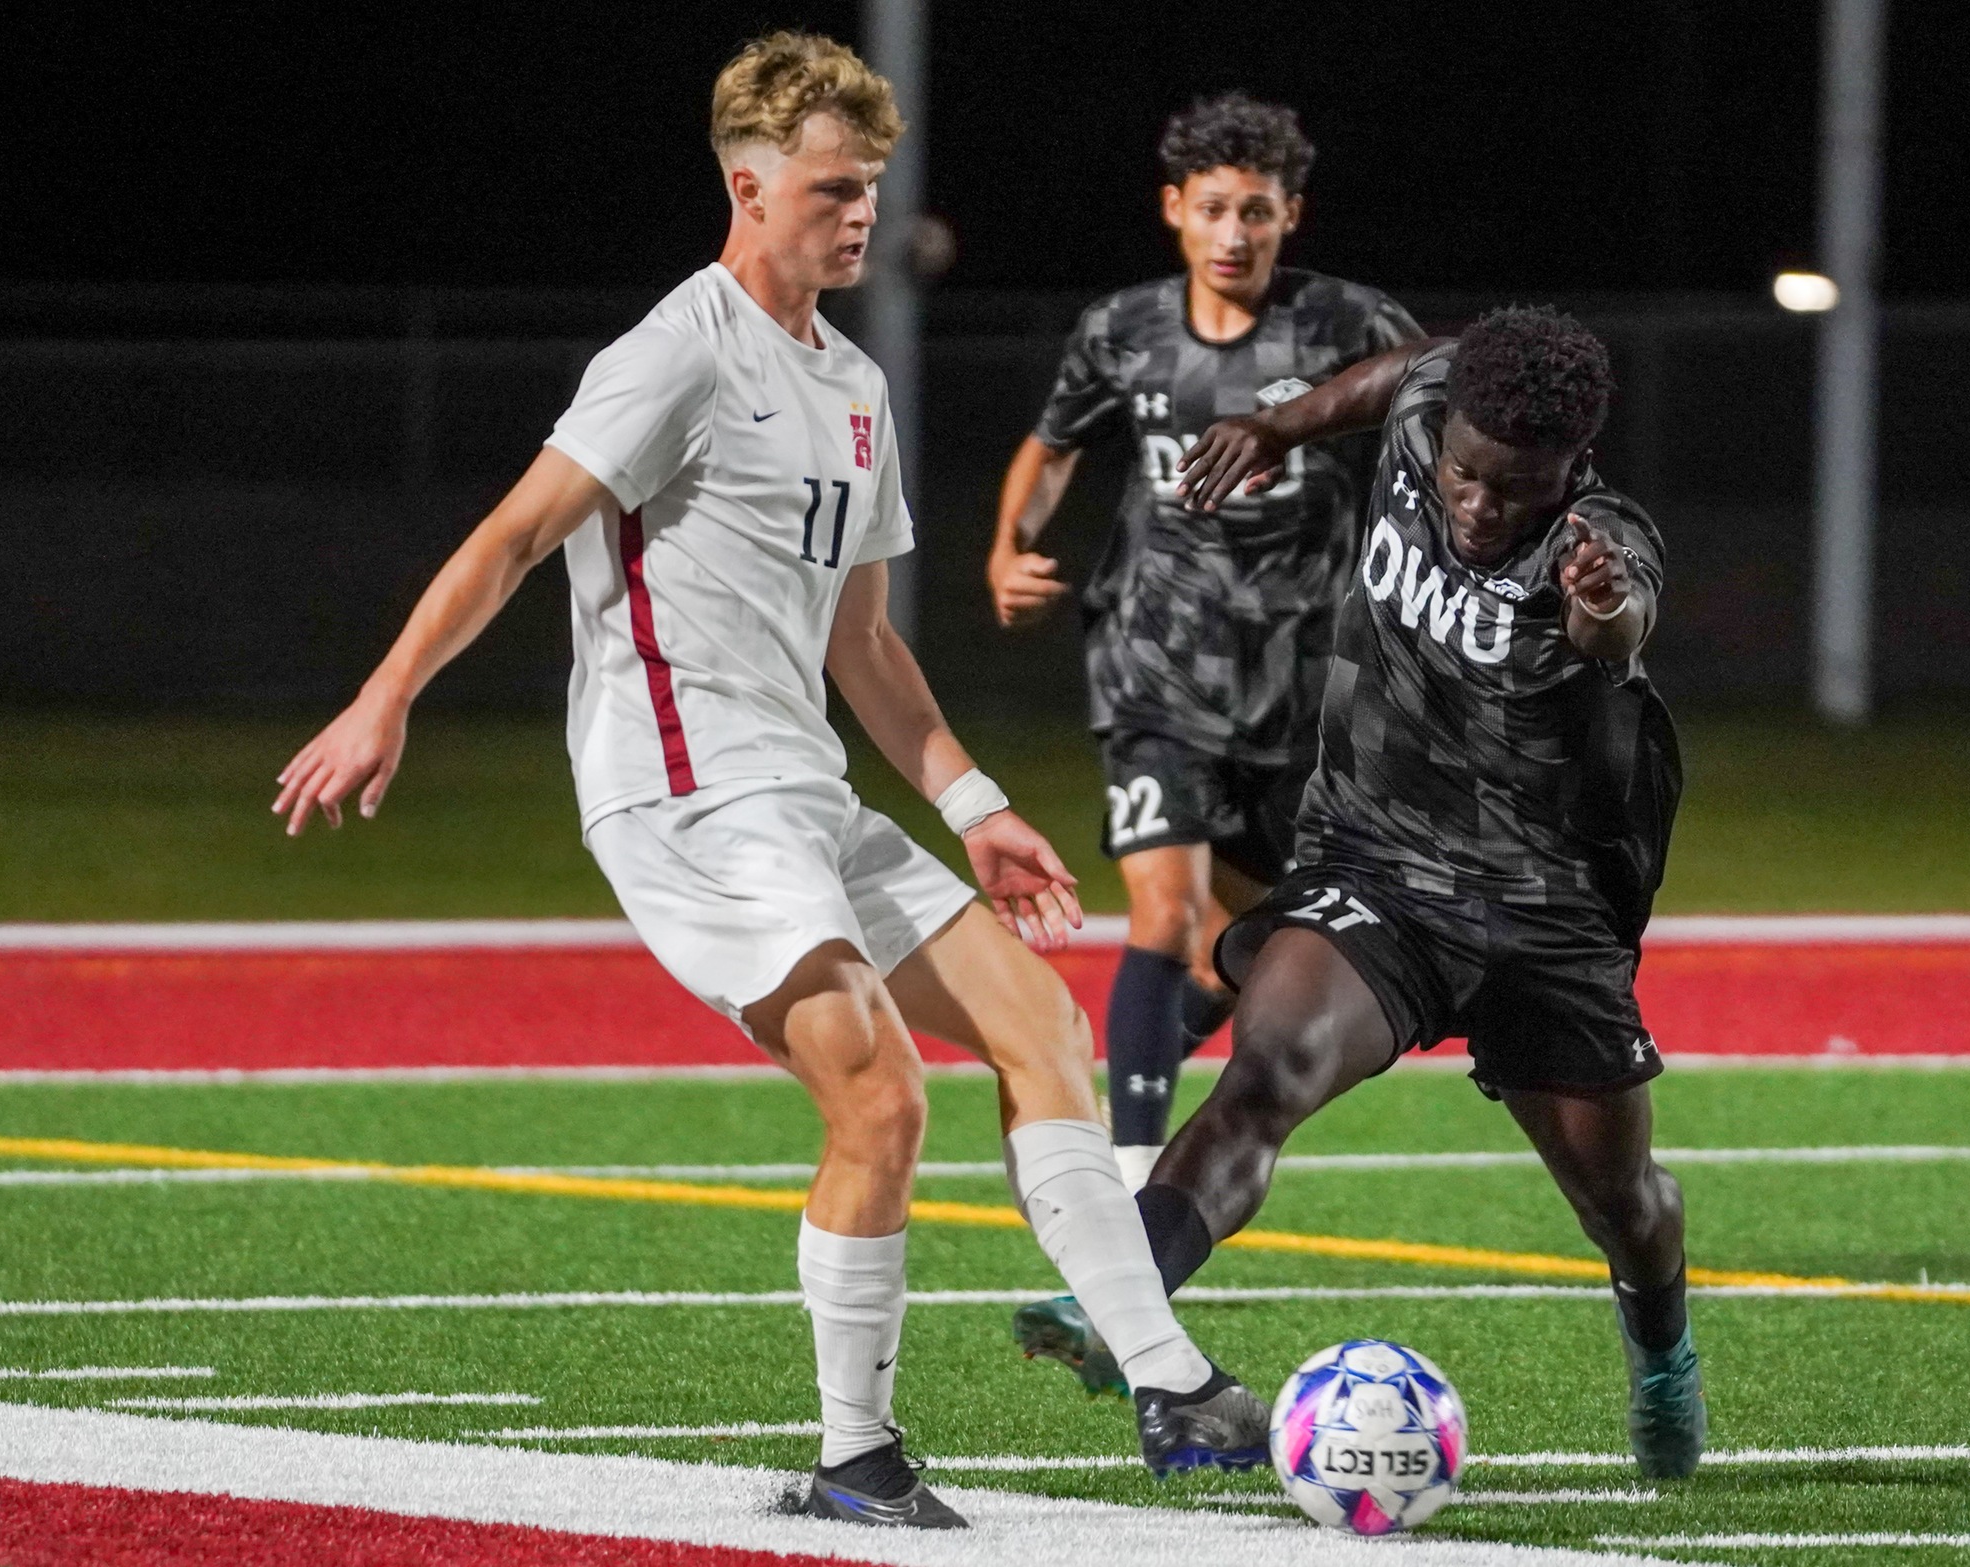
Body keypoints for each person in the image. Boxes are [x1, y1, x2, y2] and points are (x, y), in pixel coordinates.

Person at [271, 31, 1273, 1530]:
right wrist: (382, 696)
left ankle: (1160, 1374)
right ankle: (855, 1453)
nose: (855, 214)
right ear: (745, 186)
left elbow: (863, 642)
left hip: (801, 793)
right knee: (875, 1086)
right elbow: (510, 536)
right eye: (826, 188)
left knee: (1038, 1022)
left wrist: (974, 799)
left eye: (867, 187)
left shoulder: (853, 384)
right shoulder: (677, 347)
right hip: (679, 794)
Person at [1020, 306, 1705, 1479]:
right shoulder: (1432, 400)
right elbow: (1394, 374)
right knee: (1264, 1076)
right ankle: (1123, 1308)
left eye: (1516, 490)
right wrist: (1281, 425)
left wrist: (1601, 608)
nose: (1480, 507)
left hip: (1542, 914)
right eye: (1466, 476)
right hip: (1374, 863)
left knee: (1623, 1205)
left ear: (1568, 472)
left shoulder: (1599, 536)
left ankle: (1661, 1360)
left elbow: (1618, 621)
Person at [985, 94, 1421, 1199]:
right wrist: (1006, 548)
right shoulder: (1121, 330)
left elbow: (1443, 405)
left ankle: (1112, 1085)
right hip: (1155, 662)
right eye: (1214, 208)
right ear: (1173, 209)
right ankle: (1127, 1177)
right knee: (1163, 909)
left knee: (1248, 952)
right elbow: (1050, 448)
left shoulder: (1344, 326)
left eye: (1257, 212)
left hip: (1303, 685)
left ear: (1290, 218)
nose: (1234, 233)